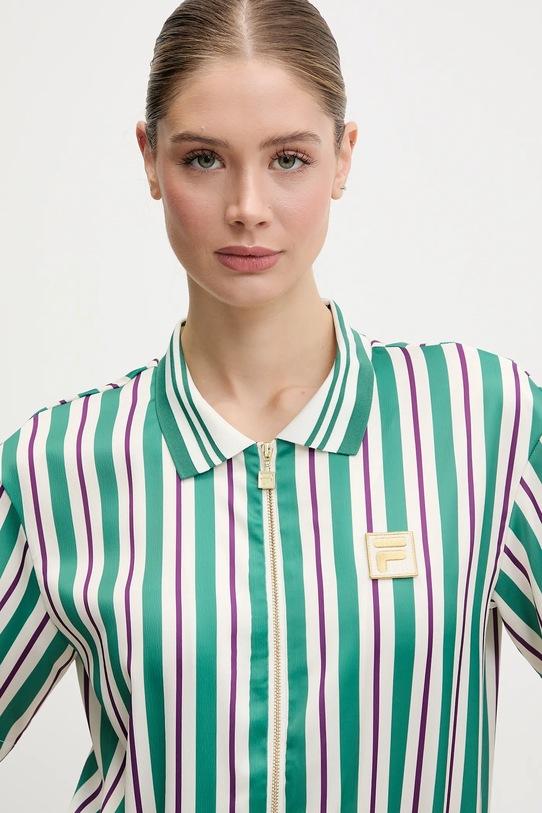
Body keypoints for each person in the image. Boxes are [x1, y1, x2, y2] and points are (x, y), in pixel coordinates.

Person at [1, 1, 541, 811]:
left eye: (288, 158)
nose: (247, 205)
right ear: (150, 160)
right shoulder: (60, 464)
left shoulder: (480, 422)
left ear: (343, 158)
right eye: (203, 159)